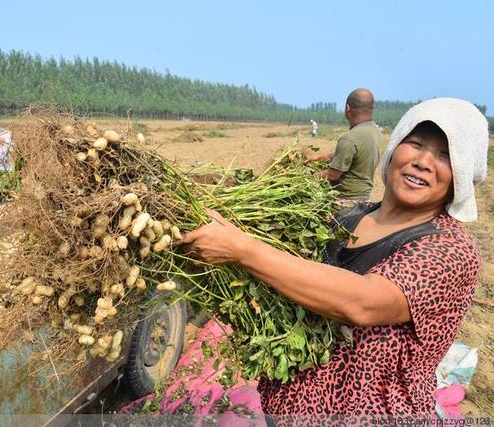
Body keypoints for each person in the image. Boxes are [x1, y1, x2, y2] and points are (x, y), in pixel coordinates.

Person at [178, 98, 489, 421]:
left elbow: (363, 302)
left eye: (445, 155)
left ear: (462, 177)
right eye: (415, 144)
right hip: (287, 410)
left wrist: (242, 249)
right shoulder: (345, 214)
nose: (424, 161)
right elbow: (284, 266)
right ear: (395, 147)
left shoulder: (451, 249)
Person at [314, 88, 382, 202]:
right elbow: (352, 155)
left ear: (347, 108)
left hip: (347, 201)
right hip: (364, 198)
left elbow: (333, 175)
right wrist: (316, 157)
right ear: (372, 108)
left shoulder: (349, 138)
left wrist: (308, 177)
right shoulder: (374, 131)